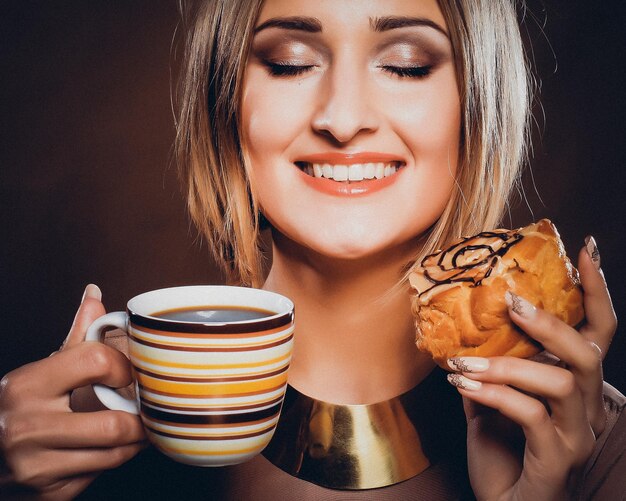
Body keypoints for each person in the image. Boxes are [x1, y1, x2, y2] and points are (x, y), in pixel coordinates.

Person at [1, 0, 623, 499]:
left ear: (478, 105)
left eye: (406, 64)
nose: (344, 117)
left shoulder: (589, 440)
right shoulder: (86, 420)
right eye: (290, 61)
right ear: (226, 107)